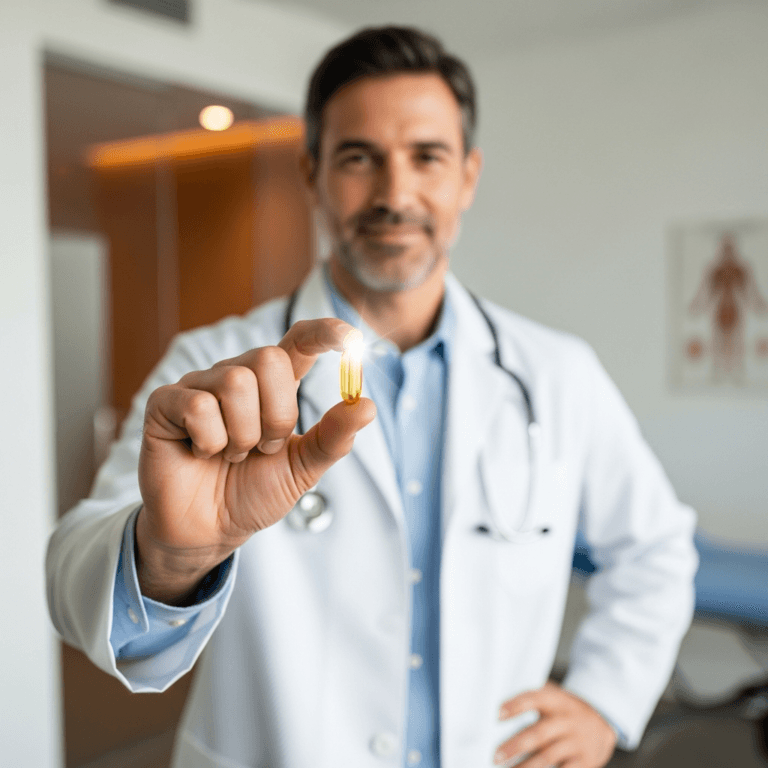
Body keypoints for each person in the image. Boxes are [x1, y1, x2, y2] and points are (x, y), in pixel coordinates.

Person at [46, 26, 698, 768]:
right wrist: (169, 556)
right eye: (359, 158)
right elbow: (71, 580)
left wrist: (605, 699)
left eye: (427, 157)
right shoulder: (211, 366)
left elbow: (655, 549)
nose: (395, 195)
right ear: (313, 174)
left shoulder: (557, 374)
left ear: (468, 177)